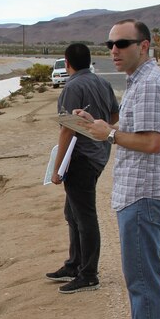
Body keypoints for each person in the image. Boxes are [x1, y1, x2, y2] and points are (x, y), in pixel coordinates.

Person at [76, 19, 160, 319]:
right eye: (109, 44)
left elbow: (153, 142)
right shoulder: (140, 82)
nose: (114, 50)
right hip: (137, 191)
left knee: (143, 275)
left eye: (122, 43)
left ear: (145, 45)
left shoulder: (150, 85)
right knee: (138, 273)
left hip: (144, 192)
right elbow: (136, 132)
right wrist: (98, 125)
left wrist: (111, 135)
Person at [46, 43, 119, 294]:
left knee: (85, 215)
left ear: (67, 63)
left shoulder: (73, 87)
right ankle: (74, 263)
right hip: (99, 155)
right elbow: (114, 116)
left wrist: (57, 169)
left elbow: (67, 128)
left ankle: (88, 274)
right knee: (72, 212)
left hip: (80, 159)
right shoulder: (103, 83)